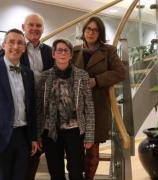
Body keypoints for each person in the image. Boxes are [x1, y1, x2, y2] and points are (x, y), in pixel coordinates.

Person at [72, 16, 126, 180]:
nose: (91, 32)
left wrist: (97, 80)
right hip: (74, 107)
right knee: (74, 148)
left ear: (100, 32)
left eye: (95, 30)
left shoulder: (109, 50)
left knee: (92, 148)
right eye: (88, 29)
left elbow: (120, 72)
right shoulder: (74, 50)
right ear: (84, 31)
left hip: (97, 106)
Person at [36, 39, 95, 180]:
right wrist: (37, 134)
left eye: (66, 50)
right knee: (55, 172)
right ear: (53, 54)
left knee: (76, 171)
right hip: (50, 131)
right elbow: (39, 107)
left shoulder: (82, 75)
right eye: (59, 50)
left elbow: (89, 106)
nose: (62, 53)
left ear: (70, 55)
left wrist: (89, 136)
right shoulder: (44, 76)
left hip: (74, 130)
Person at [0, 28, 38, 180]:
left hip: (23, 136)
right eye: (11, 42)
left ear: (24, 48)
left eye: (20, 43)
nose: (15, 47)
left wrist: (34, 137)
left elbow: (31, 108)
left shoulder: (28, 73)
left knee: (21, 176)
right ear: (3, 45)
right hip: (2, 135)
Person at [21, 13, 54, 180]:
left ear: (43, 29)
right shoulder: (16, 49)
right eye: (31, 25)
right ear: (23, 28)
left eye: (38, 26)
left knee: (35, 158)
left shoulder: (50, 52)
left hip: (44, 114)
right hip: (22, 114)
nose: (35, 29)